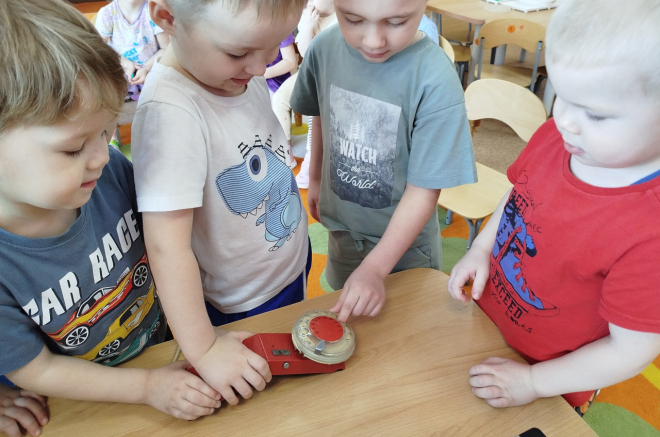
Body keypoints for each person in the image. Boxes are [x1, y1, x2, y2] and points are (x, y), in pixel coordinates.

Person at [0, 0, 224, 432]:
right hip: (89, 402)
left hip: (164, 348)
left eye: (106, 132)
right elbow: (37, 369)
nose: (103, 156)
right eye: (73, 148)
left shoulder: (106, 172)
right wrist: (147, 387)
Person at [446, 0, 660, 415]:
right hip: (487, 324)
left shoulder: (651, 232)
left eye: (596, 115)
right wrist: (481, 248)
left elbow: (630, 351)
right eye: (562, 97)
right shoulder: (558, 137)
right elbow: (518, 195)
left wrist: (533, 382)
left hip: (552, 378)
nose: (565, 121)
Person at [132, 0, 310, 405]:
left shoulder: (237, 74)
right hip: (241, 303)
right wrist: (206, 349)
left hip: (286, 267)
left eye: (272, 47)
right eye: (238, 52)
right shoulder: (170, 114)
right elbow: (166, 247)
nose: (261, 68)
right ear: (167, 18)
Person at [290, 0, 476, 322]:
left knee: (402, 332)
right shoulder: (323, 48)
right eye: (353, 19)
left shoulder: (435, 78)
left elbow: (424, 190)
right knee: (352, 321)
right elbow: (320, 111)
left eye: (396, 22)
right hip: (343, 234)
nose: (373, 41)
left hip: (405, 251)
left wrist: (375, 267)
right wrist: (317, 177)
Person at [95, 0, 170, 100]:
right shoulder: (107, 13)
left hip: (151, 66)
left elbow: (166, 48)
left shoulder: (154, 10)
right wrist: (124, 62)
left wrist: (146, 68)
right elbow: (99, 47)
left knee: (166, 82)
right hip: (120, 65)